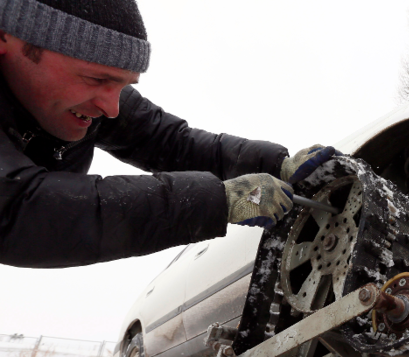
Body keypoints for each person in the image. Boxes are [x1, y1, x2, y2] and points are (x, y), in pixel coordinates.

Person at [0, 0, 335, 268]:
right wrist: (220, 201)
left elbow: (171, 142)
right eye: (96, 79)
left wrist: (276, 165)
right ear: (6, 40)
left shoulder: (89, 100)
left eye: (122, 85)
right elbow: (21, 211)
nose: (112, 108)